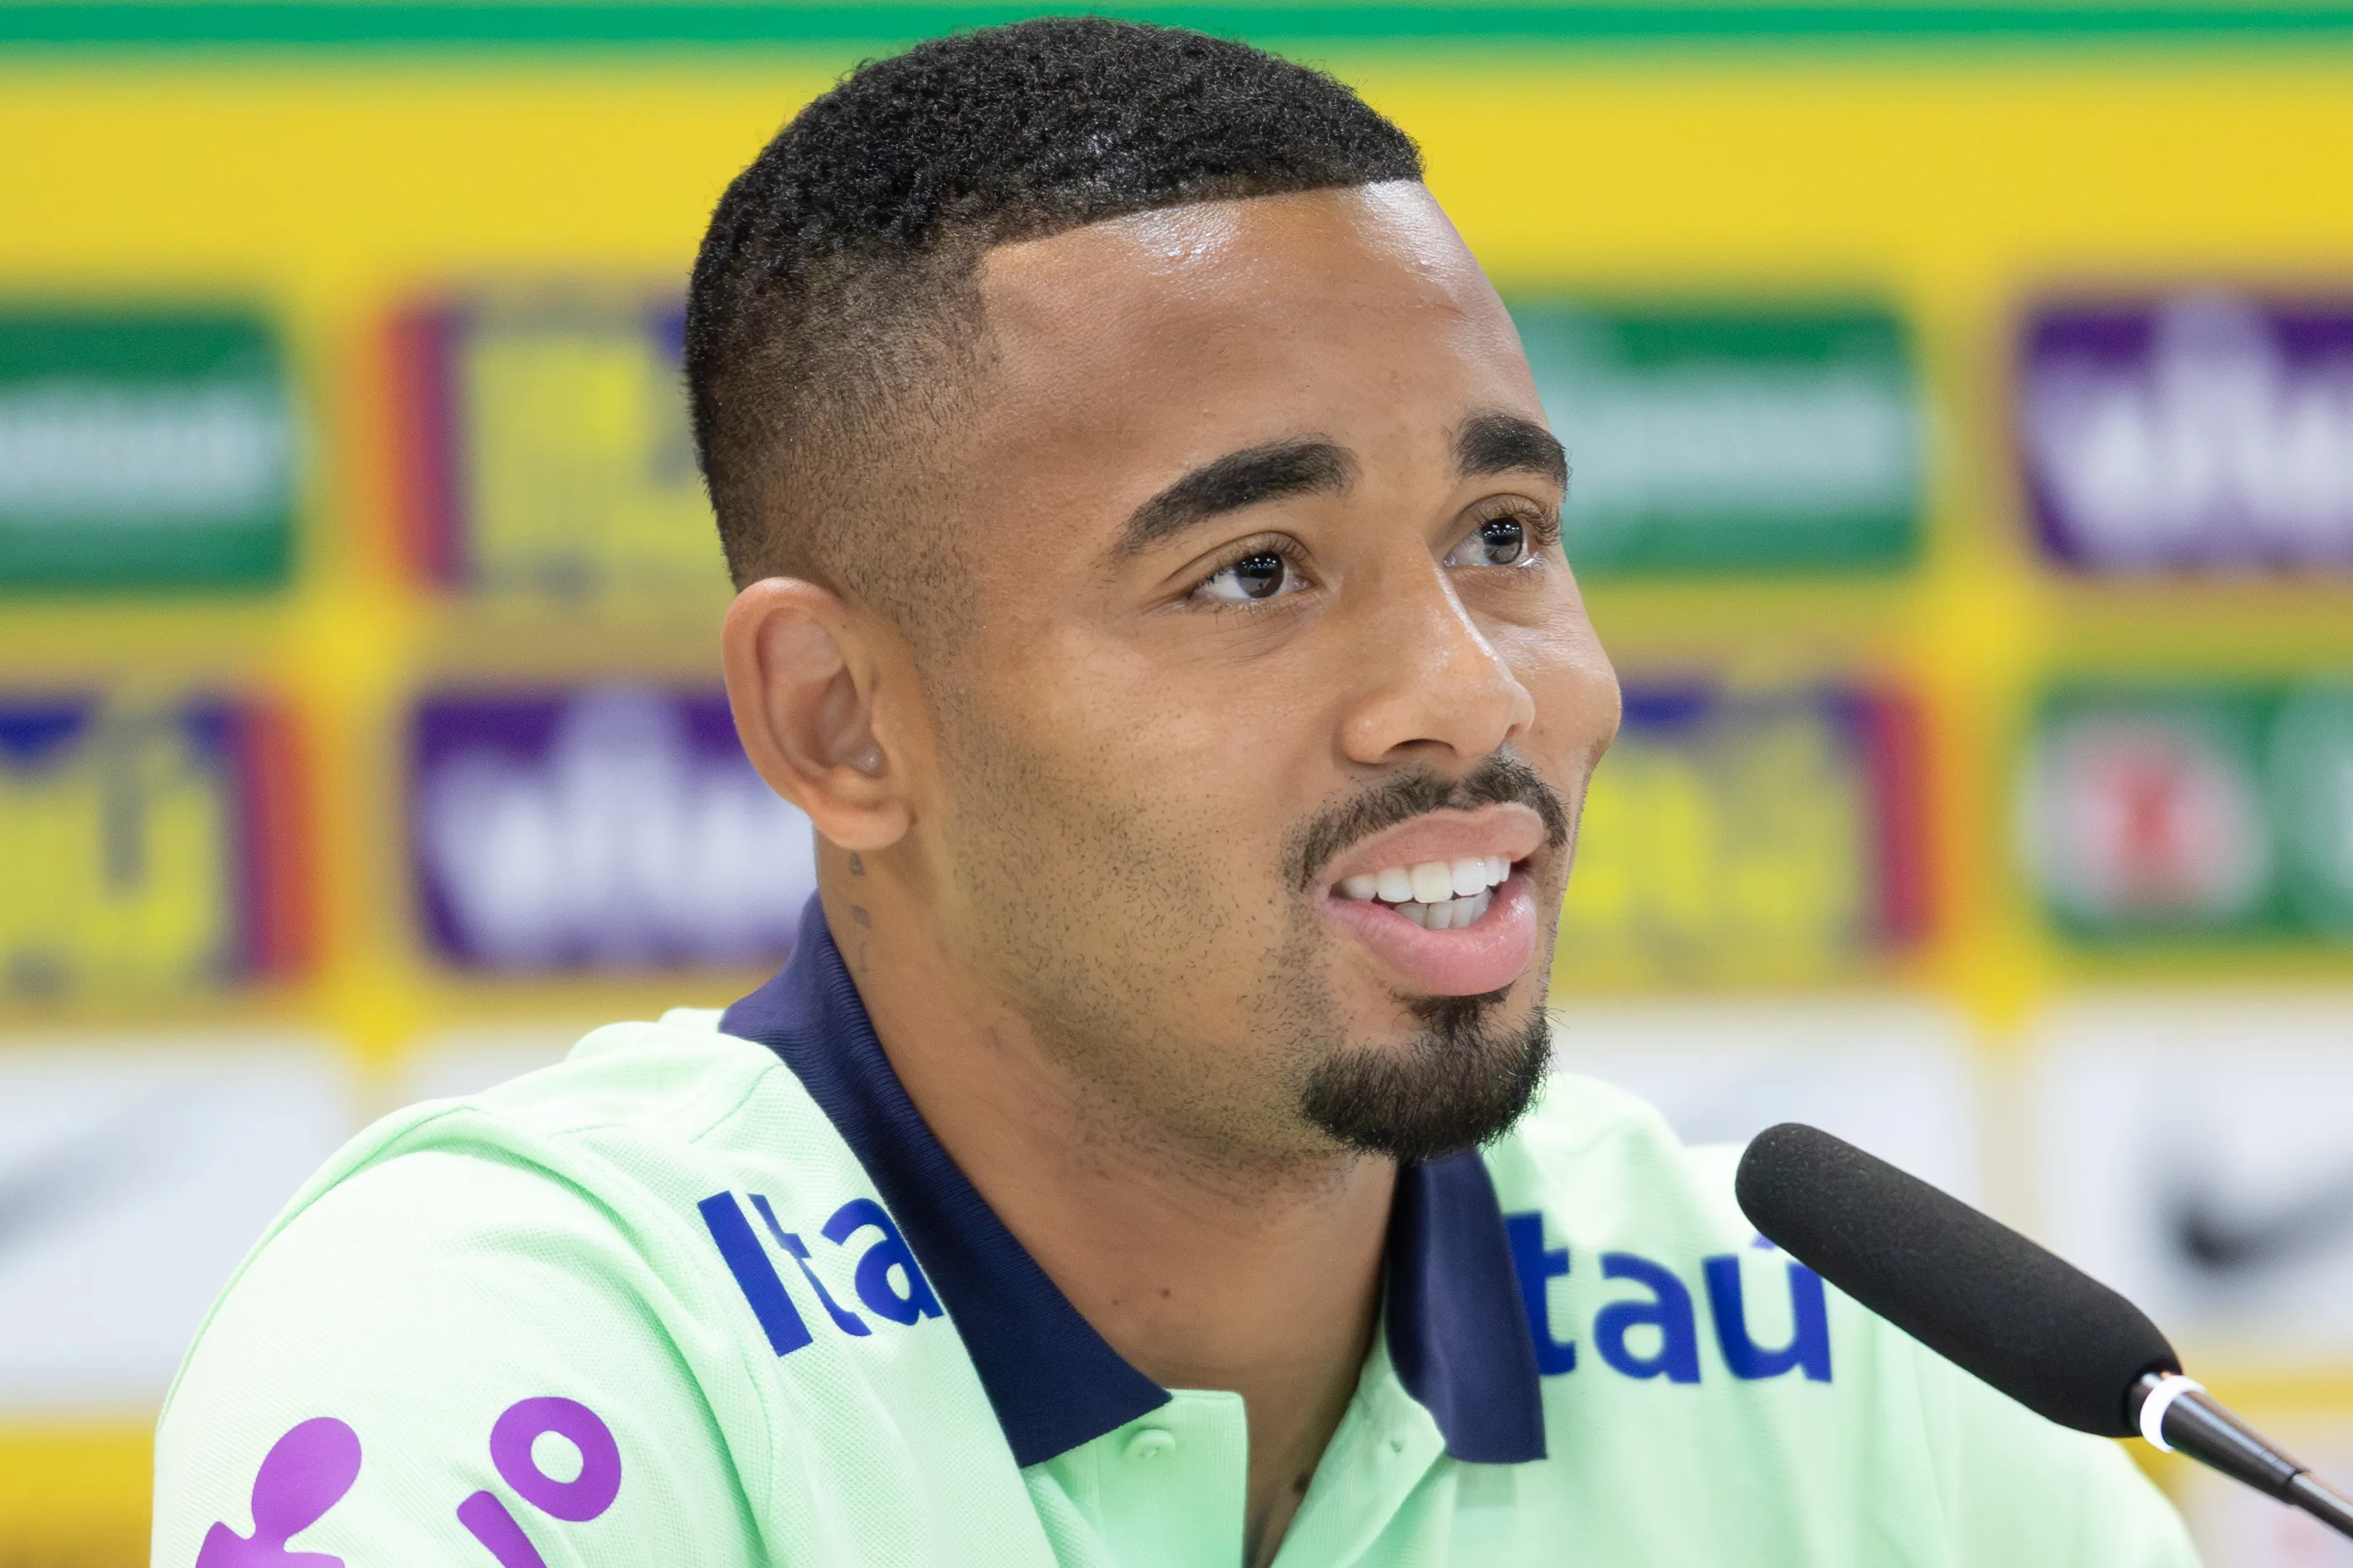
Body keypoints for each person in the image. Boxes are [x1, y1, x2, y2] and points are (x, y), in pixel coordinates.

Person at [153, 19, 2197, 1567]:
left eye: (1500, 531)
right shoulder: (523, 1345)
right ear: (840, 724)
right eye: (1250, 573)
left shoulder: (1844, 1365)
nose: (1462, 693)